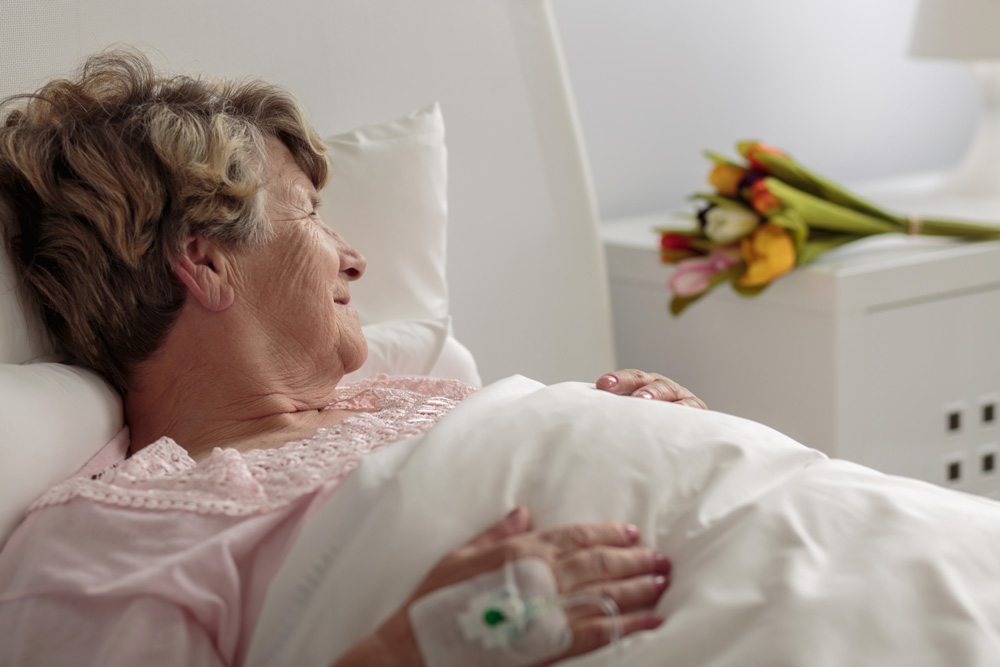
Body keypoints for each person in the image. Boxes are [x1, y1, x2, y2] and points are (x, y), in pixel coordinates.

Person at [0, 50, 705, 665]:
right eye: (309, 213)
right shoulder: (102, 543)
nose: (356, 259)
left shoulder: (429, 393)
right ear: (205, 260)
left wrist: (665, 431)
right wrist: (412, 652)